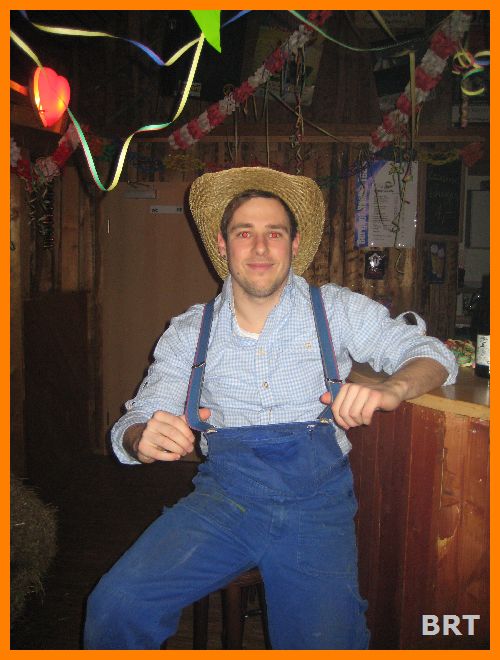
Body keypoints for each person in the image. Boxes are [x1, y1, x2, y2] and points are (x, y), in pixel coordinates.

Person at [84, 167, 457, 650]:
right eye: (245, 233)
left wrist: (393, 389)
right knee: (116, 605)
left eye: (274, 233)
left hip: (316, 509)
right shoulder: (189, 331)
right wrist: (141, 437)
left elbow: (433, 355)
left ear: (294, 244)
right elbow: (138, 418)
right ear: (223, 245)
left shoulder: (336, 309)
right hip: (224, 501)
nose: (260, 247)